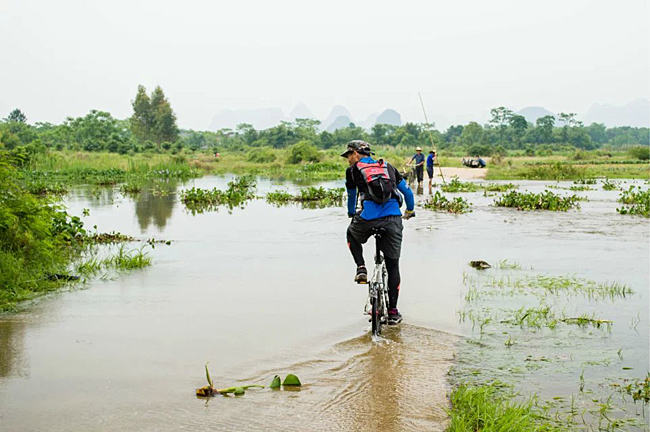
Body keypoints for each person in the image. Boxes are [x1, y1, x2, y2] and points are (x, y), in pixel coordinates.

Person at [342, 140, 415, 325]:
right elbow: (407, 193)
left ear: (356, 154)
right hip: (393, 220)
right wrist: (409, 211)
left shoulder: (353, 171)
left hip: (367, 218)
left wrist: (352, 213)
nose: (348, 160)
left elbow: (352, 196)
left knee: (351, 234)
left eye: (348, 156)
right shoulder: (388, 167)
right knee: (393, 266)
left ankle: (361, 268)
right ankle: (393, 312)